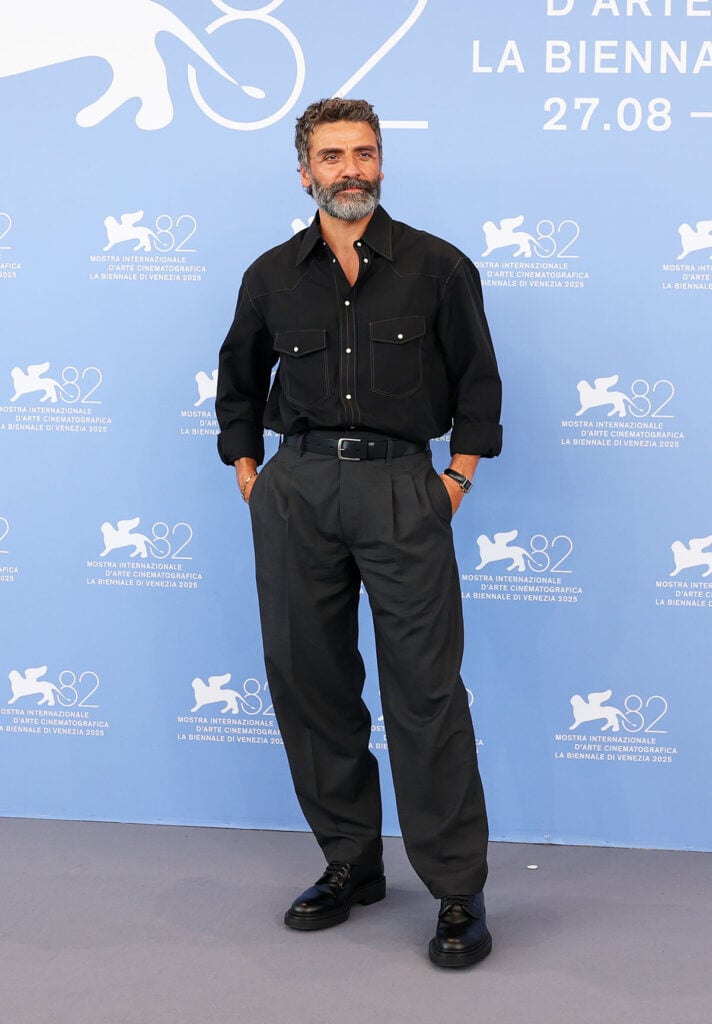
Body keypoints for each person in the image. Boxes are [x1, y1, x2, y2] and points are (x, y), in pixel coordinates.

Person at [215, 98, 502, 968]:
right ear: (304, 170)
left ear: (382, 163)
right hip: (298, 488)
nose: (352, 169)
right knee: (311, 683)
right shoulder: (272, 274)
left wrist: (453, 482)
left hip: (401, 487)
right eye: (333, 155)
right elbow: (236, 384)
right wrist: (251, 474)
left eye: (365, 153)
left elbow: (479, 388)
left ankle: (457, 890)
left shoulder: (437, 267)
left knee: (425, 693)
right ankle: (350, 863)